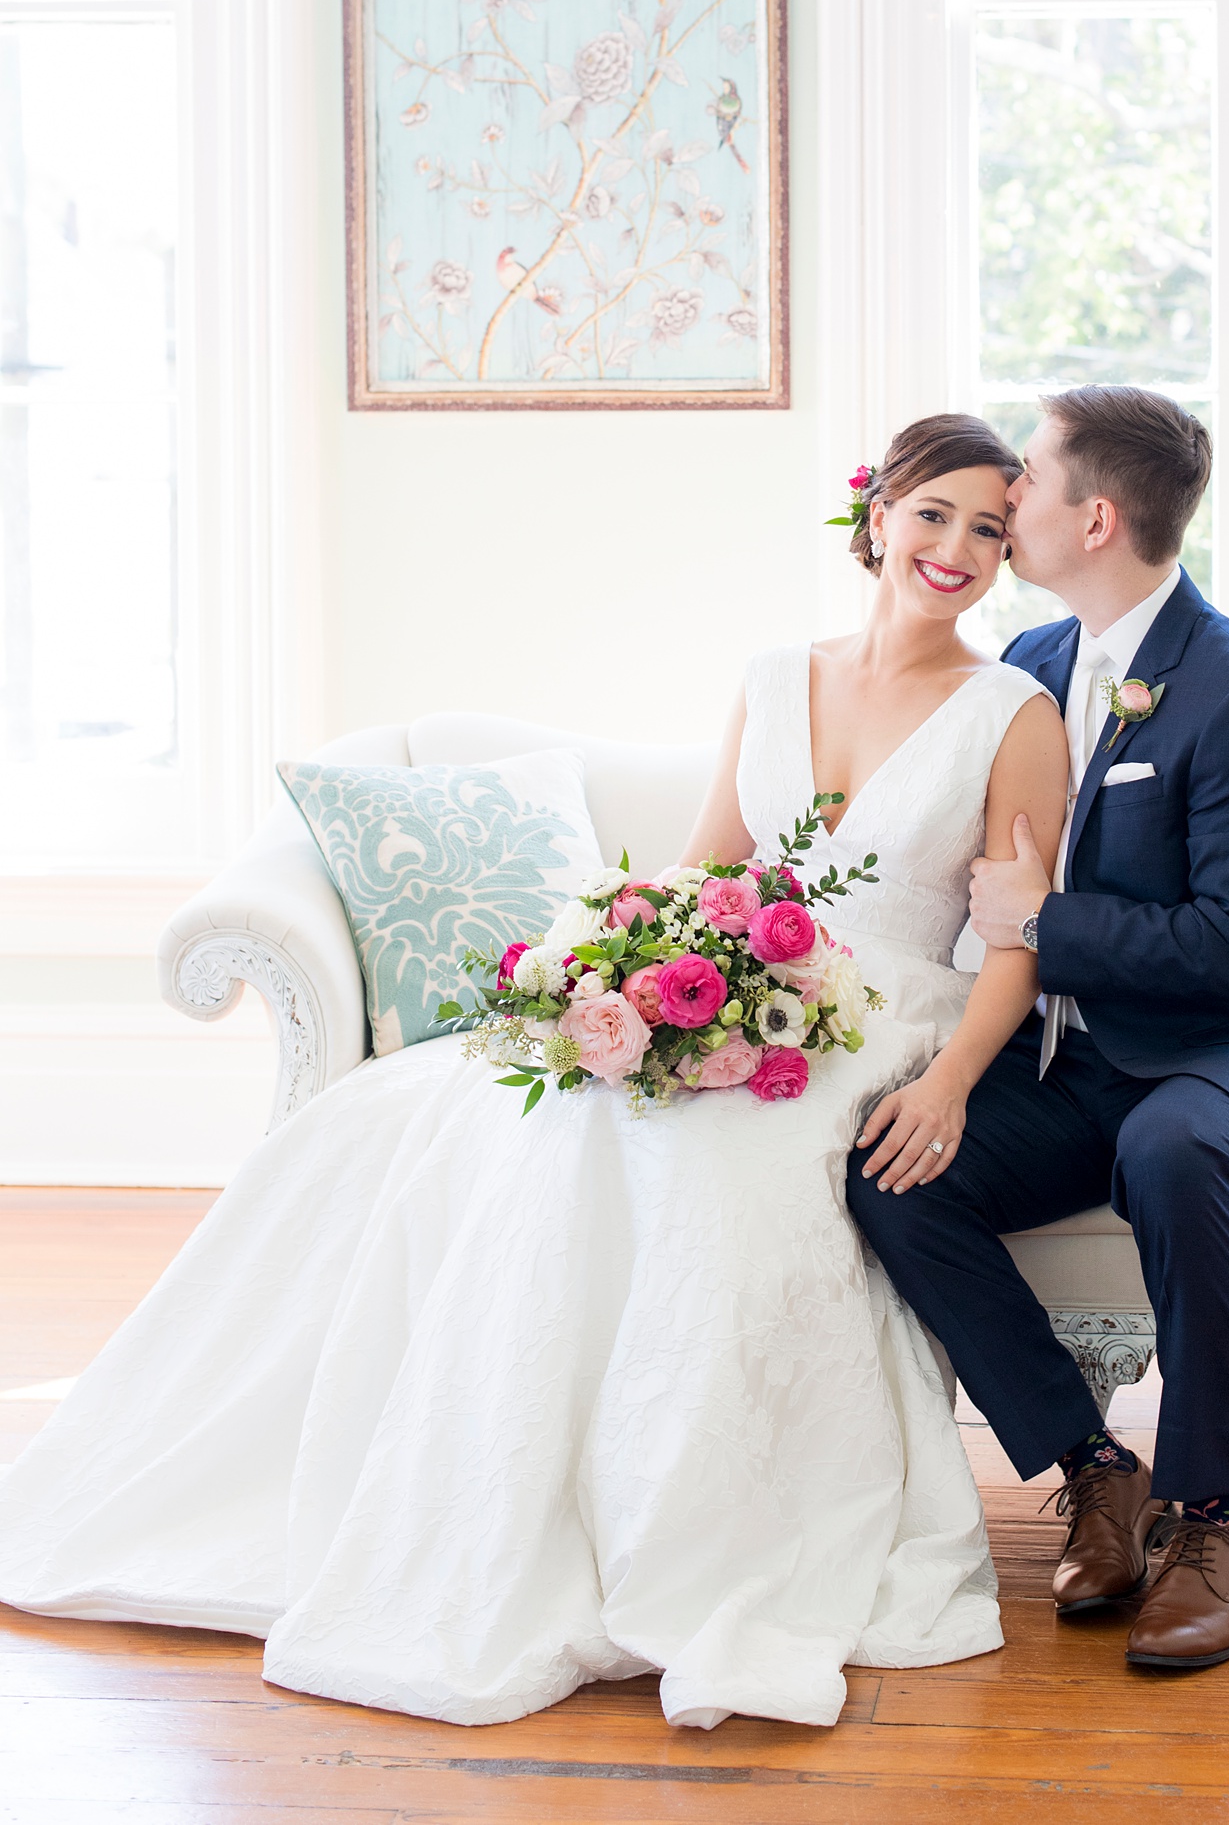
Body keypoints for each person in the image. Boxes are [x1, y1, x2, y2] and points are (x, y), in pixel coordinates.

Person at [0, 412, 1069, 1734]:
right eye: (933, 514)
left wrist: (954, 1081)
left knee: (710, 1168)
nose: (954, 548)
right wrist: (630, 969)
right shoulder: (772, 673)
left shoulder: (1014, 712)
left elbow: (1022, 935)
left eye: (985, 528)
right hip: (742, 979)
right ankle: (484, 1498)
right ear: (876, 516)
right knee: (480, 1117)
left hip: (890, 1015)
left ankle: (680, 1539)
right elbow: (710, 867)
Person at [848, 385, 1229, 1674]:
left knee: (1171, 1154)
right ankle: (1093, 1466)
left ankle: (1217, 1522)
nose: (1008, 498)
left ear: (1097, 515)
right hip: (1062, 1066)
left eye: (1033, 479)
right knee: (893, 1169)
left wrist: (1049, 919)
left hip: (1219, 1063)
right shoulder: (1033, 666)